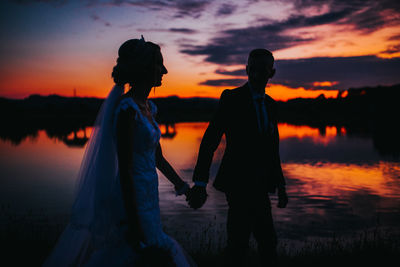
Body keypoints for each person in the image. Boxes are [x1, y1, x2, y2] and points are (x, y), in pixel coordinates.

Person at [43, 37, 196, 267]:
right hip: (131, 199)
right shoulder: (127, 110)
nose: (164, 70)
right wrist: (133, 223)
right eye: (159, 64)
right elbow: (124, 171)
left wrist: (183, 187)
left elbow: (157, 157)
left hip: (148, 196)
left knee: (152, 248)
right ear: (143, 68)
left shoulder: (148, 107)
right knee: (136, 252)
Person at [187, 49, 288, 266]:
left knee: (268, 241)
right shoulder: (232, 98)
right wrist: (200, 182)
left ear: (272, 73)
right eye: (252, 68)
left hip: (261, 184)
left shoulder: (271, 105)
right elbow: (210, 140)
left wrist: (280, 185)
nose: (256, 73)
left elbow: (273, 148)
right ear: (246, 69)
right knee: (239, 242)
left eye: (263, 69)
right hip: (238, 183)